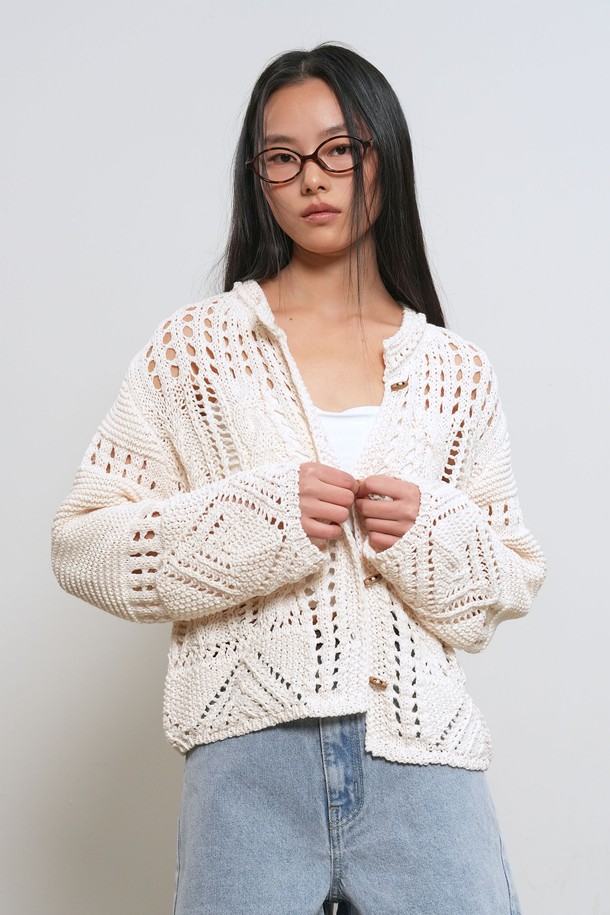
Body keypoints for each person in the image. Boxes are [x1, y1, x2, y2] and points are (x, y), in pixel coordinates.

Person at [51, 42, 546, 915]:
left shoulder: (456, 370)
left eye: (338, 149)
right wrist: (260, 519)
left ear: (382, 157)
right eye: (282, 157)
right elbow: (81, 544)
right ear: (259, 178)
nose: (312, 178)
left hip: (422, 758)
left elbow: (508, 580)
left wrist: (428, 531)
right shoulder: (194, 350)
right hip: (247, 760)